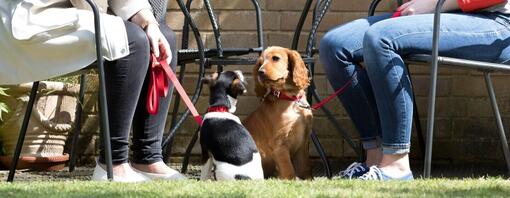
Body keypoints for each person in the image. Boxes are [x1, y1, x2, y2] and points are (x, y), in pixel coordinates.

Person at [320, 0, 510, 180]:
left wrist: (433, 3)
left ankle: (397, 165)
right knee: (334, 45)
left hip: (495, 22)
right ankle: (374, 159)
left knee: (380, 38)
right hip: (443, 12)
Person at [0, 0, 185, 182]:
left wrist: (148, 22)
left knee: (163, 35)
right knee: (131, 39)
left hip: (76, 14)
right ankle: (113, 163)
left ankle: (148, 157)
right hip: (33, 17)